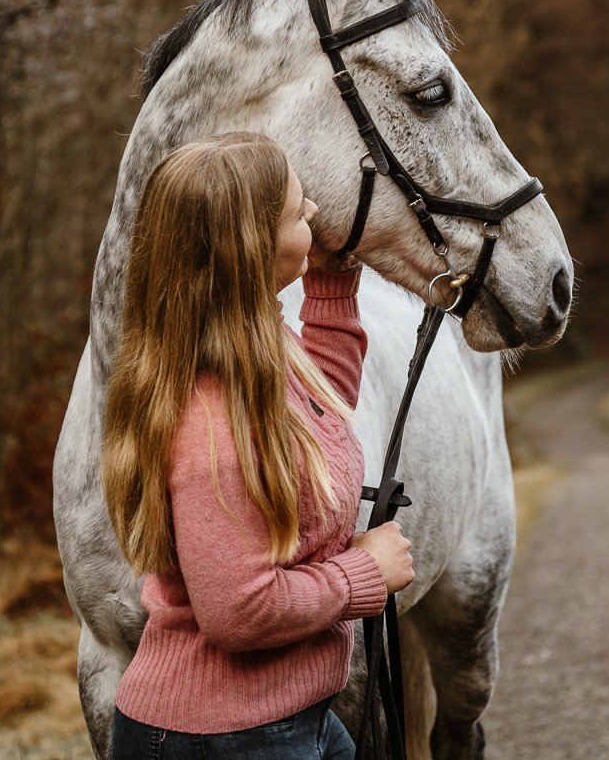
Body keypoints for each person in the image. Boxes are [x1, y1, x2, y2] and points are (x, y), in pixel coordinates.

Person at [101, 131, 415, 759]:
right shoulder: (210, 424)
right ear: (248, 249)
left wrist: (332, 283)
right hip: (219, 736)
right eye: (300, 213)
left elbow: (317, 410)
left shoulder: (249, 352)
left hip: (284, 720)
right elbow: (239, 613)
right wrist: (363, 575)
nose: (317, 217)